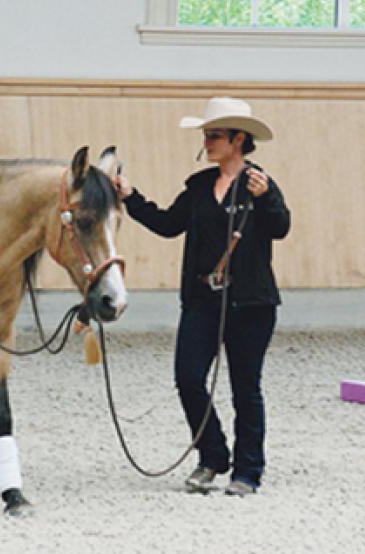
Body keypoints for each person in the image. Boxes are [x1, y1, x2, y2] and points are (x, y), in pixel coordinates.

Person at [116, 97, 290, 496]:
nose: (208, 142)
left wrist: (269, 199)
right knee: (188, 378)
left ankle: (248, 471)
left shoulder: (260, 184)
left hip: (251, 304)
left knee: (246, 388)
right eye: (207, 135)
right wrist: (130, 196)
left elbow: (281, 228)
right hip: (203, 299)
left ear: (238, 139)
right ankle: (213, 455)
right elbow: (167, 224)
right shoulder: (197, 186)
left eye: (215, 135)